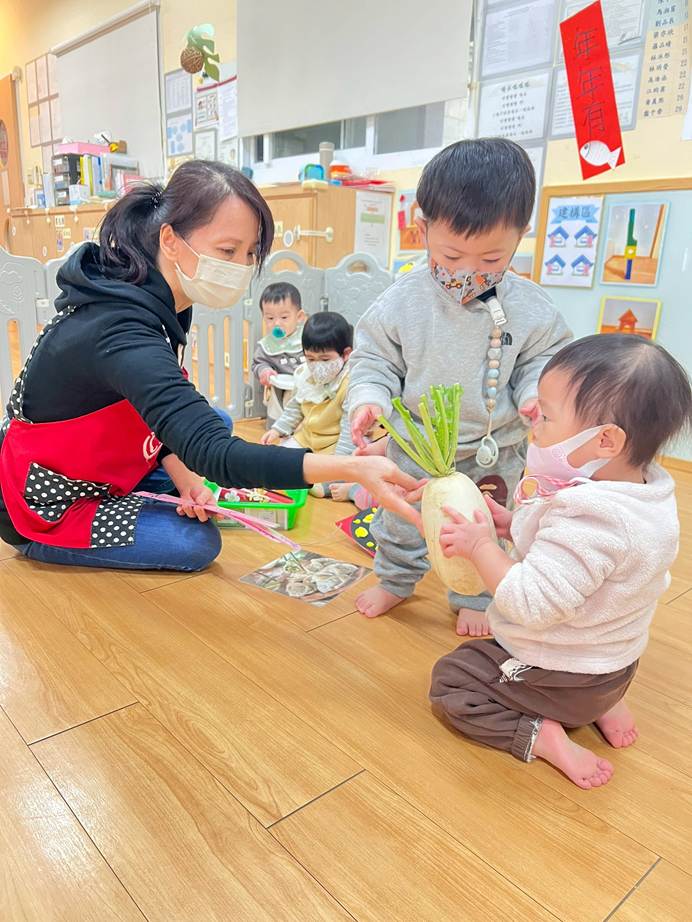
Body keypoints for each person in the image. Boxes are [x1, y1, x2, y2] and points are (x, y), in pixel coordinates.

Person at [0, 161, 421, 572]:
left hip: (100, 455)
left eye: (250, 253)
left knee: (215, 423)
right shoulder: (119, 328)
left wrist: (184, 475)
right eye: (227, 250)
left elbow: (153, 412)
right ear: (170, 239)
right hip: (47, 499)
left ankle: (149, 488)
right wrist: (351, 468)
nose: (241, 266)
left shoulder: (156, 297)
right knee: (195, 542)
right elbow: (213, 451)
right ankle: (44, 540)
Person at [429, 335, 691, 789]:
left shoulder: (590, 518)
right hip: (616, 667)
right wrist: (513, 525)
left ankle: (541, 733)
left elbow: (530, 603)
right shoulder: (647, 494)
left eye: (547, 417)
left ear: (605, 440)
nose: (535, 425)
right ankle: (604, 704)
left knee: (452, 681)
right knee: (587, 671)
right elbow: (592, 565)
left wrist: (482, 548)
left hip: (564, 673)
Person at [348, 138, 572, 634]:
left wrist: (534, 395)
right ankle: (396, 580)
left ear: (521, 236)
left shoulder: (531, 308)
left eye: (491, 259)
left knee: (483, 528)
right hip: (419, 446)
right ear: (422, 227)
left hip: (494, 449)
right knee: (401, 524)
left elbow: (545, 361)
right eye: (452, 254)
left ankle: (475, 595)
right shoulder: (401, 301)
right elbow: (374, 359)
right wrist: (370, 398)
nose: (468, 272)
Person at [260, 313, 356, 499]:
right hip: (306, 438)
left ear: (346, 354)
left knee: (337, 472)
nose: (317, 365)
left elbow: (348, 434)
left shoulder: (349, 383)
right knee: (275, 460)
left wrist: (339, 465)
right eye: (310, 359)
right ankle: (307, 474)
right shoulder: (305, 375)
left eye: (325, 359)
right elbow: (295, 407)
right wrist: (277, 430)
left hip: (334, 445)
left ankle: (322, 481)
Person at [251, 282, 306, 426]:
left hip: (306, 387)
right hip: (280, 389)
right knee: (279, 407)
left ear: (299, 316)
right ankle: (278, 428)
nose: (277, 323)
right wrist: (265, 371)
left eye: (284, 317)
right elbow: (258, 364)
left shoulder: (307, 337)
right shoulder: (266, 345)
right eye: (270, 318)